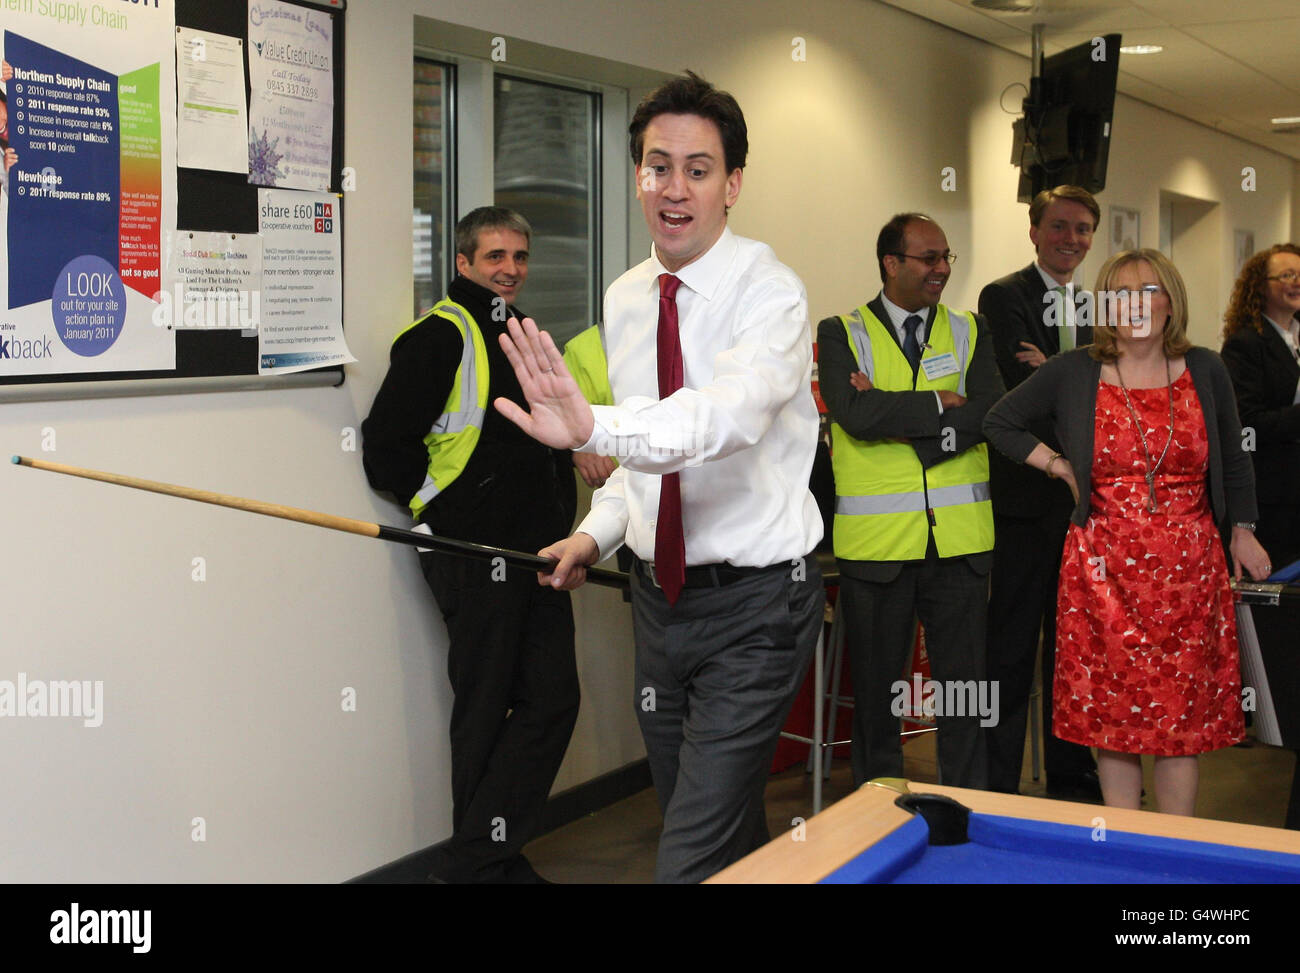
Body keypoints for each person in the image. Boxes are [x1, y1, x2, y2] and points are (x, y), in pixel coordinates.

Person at [493, 71, 824, 883]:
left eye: (698, 169)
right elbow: (647, 461)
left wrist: (593, 425)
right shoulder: (628, 297)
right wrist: (593, 532)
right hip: (659, 605)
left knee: (685, 858)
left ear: (733, 184)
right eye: (656, 165)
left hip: (757, 609)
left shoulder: (772, 295)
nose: (674, 189)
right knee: (717, 831)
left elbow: (720, 420)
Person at [983, 248, 1272, 814]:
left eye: (1148, 290)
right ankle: (1122, 847)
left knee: (1179, 717)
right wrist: (1058, 465)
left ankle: (1175, 846)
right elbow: (1000, 420)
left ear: (1171, 302)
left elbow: (1235, 457)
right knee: (1114, 716)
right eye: (1119, 292)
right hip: (1102, 572)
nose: (1134, 304)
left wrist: (1243, 527)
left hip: (1190, 572)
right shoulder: (1073, 370)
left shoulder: (1207, 368)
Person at [361, 206, 579, 883]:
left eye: (519, 256)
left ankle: (475, 859)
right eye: (495, 257)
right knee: (484, 707)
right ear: (463, 264)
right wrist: (439, 522)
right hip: (473, 556)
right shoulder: (439, 336)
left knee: (552, 698)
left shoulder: (520, 335)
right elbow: (384, 449)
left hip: (539, 555)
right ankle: (490, 866)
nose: (510, 269)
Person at [817, 213, 1002, 790]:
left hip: (960, 545)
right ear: (890, 263)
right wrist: (940, 405)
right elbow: (853, 415)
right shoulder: (840, 332)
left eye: (946, 257)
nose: (942, 269)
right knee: (876, 695)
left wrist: (899, 419)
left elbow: (991, 414)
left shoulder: (971, 329)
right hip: (877, 550)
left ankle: (964, 809)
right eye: (929, 258)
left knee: (964, 694)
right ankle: (879, 814)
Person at [979, 185, 1101, 800]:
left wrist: (1053, 366)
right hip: (1026, 507)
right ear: (1034, 231)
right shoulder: (1005, 297)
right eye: (1058, 227)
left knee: (1074, 652)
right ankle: (997, 784)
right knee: (1010, 649)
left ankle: (1072, 783)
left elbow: (1096, 390)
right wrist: (1073, 376)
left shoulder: (1099, 304)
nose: (1070, 239)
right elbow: (1019, 403)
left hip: (1085, 511)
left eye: (1082, 229)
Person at [1221, 243, 1300, 571]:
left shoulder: (1296, 335)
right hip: (1273, 497)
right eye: (1287, 275)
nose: (1297, 281)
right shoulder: (1246, 344)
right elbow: (1247, 424)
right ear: (1260, 287)